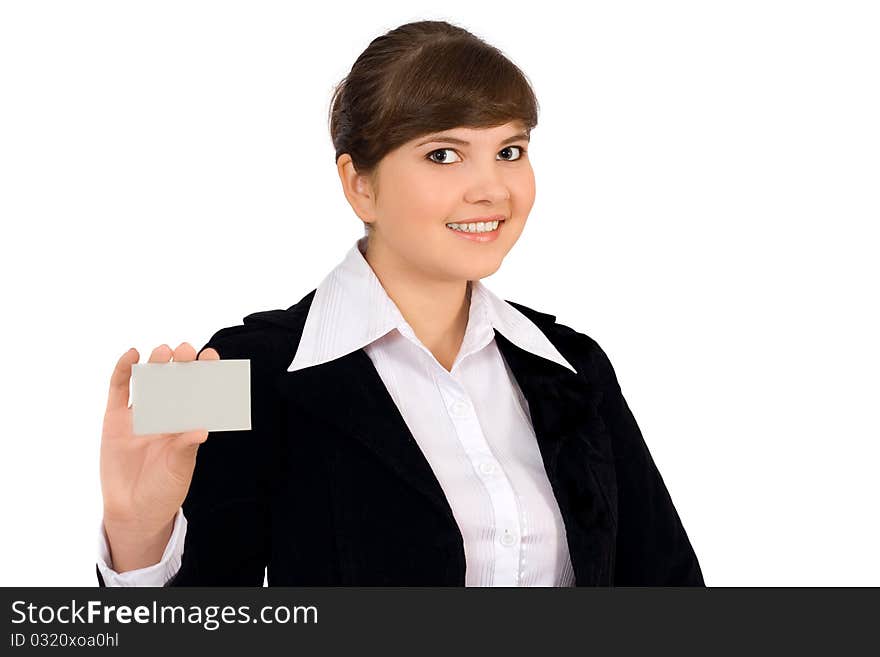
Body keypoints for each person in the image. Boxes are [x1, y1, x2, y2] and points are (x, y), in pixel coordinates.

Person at [97, 19, 705, 586]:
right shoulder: (237, 369)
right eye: (443, 154)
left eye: (510, 151)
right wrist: (137, 535)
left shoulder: (572, 367)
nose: (492, 188)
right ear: (359, 184)